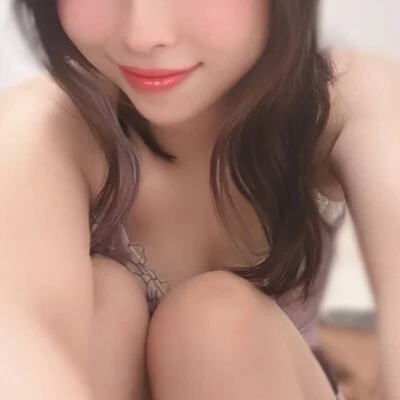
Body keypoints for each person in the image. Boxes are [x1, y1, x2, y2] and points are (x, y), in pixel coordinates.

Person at [0, 0, 399, 399]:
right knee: (104, 300)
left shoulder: (352, 100)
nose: (143, 37)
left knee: (214, 325)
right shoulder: (38, 128)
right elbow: (27, 332)